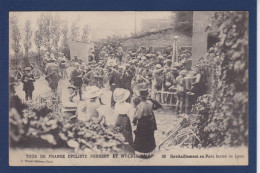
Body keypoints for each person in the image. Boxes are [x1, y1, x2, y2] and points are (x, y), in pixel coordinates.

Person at [132, 89, 157, 155]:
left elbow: (139, 116)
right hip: (150, 121)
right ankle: (150, 150)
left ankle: (142, 151)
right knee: (149, 135)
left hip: (143, 122)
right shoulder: (150, 103)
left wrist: (135, 116)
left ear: (140, 96)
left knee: (142, 136)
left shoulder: (141, 105)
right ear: (146, 95)